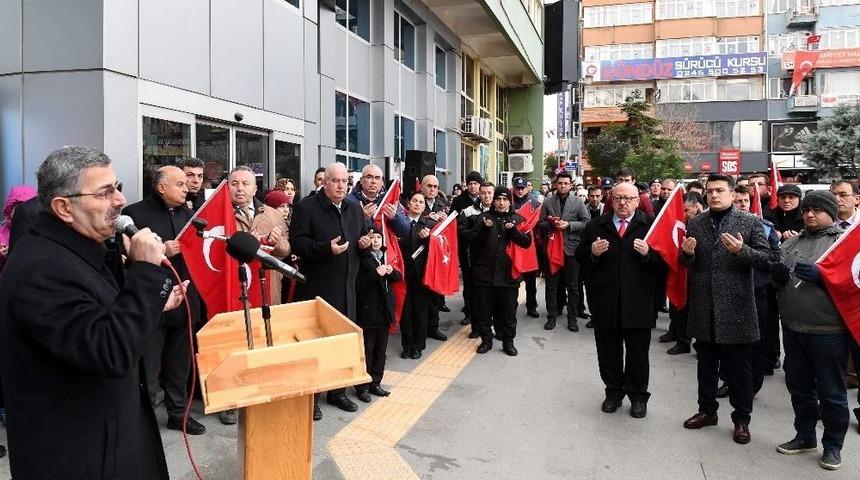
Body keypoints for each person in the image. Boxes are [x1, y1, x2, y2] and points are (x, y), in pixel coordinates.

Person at [0, 146, 186, 479]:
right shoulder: (42, 268)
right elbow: (109, 350)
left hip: (110, 442)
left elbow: (102, 321)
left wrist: (151, 307)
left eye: (118, 187)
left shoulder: (83, 249)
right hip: (78, 454)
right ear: (64, 207)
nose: (119, 200)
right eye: (105, 192)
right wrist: (144, 274)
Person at [680, 174, 772, 445]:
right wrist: (686, 254)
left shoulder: (750, 222)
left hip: (737, 306)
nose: (714, 195)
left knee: (738, 369)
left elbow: (768, 259)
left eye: (720, 190)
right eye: (710, 191)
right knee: (705, 365)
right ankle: (707, 411)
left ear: (733, 194)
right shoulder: (696, 222)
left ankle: (741, 419)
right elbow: (689, 263)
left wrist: (742, 251)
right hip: (704, 305)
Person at [123, 166, 205, 435]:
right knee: (148, 365)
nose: (186, 188)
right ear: (160, 187)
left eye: (186, 184)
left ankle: (178, 414)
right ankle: (143, 418)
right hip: (154, 302)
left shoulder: (189, 214)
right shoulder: (135, 214)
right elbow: (127, 258)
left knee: (180, 363)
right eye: (180, 183)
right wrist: (162, 251)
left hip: (185, 300)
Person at [771, 191, 849, 470]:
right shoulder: (791, 243)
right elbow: (779, 279)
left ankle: (833, 446)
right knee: (799, 388)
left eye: (817, 209)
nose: (809, 214)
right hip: (793, 328)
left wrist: (825, 278)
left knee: (831, 392)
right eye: (807, 209)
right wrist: (776, 279)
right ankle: (805, 436)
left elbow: (854, 282)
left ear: (831, 211)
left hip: (828, 331)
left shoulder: (843, 243)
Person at [290, 163, 371, 420]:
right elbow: (298, 244)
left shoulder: (354, 209)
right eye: (334, 181)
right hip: (318, 289)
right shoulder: (306, 207)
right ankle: (311, 396)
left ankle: (337, 392)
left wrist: (366, 243)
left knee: (341, 342)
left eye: (344, 181)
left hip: (347, 288)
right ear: (324, 182)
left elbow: (362, 238)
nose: (340, 185)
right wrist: (326, 249)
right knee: (315, 346)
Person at [576, 182, 664, 418]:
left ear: (638, 200)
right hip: (605, 301)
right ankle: (613, 392)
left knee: (637, 354)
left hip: (639, 303)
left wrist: (649, 254)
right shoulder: (596, 225)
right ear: (610, 200)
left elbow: (664, 264)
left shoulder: (650, 227)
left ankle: (638, 397)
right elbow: (579, 256)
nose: (622, 202)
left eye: (628, 198)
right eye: (617, 198)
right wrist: (592, 252)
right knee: (608, 352)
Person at [219, 166, 291, 425]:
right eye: (234, 183)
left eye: (245, 184)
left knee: (262, 337)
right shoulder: (220, 213)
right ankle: (229, 400)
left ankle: (260, 391)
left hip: (265, 285)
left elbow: (285, 250)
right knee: (232, 342)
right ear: (227, 186)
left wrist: (277, 241)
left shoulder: (271, 213)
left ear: (255, 188)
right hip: (234, 287)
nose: (239, 188)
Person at [469, 186, 531, 356]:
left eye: (505, 199)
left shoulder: (518, 219)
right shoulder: (484, 218)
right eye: (498, 199)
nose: (501, 203)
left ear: (510, 201)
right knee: (484, 311)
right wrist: (484, 229)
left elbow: (527, 243)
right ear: (494, 201)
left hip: (509, 276)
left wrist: (513, 232)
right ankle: (486, 340)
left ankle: (508, 342)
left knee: (509, 312)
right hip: (484, 275)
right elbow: (472, 241)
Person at [732, 185, 782, 393]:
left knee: (756, 339)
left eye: (746, 201)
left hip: (757, 291)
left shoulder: (765, 226)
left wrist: (744, 251)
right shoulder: (720, 225)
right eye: (738, 201)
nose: (743, 205)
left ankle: (754, 384)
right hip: (730, 291)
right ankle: (730, 381)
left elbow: (773, 258)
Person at [354, 226, 401, 402]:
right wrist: (375, 274)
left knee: (381, 351)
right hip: (368, 313)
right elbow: (358, 286)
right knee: (367, 350)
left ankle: (376, 382)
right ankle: (362, 386)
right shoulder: (361, 259)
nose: (376, 241)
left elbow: (397, 278)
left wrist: (392, 272)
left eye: (379, 238)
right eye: (372, 237)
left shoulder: (386, 257)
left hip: (384, 312)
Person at [538, 171, 590, 331]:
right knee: (551, 285)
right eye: (560, 183)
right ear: (555, 184)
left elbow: (586, 222)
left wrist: (569, 225)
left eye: (566, 183)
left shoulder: (578, 202)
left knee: (573, 286)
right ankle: (551, 316)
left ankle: (572, 318)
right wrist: (552, 224)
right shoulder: (547, 202)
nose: (563, 186)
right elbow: (540, 224)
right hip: (553, 248)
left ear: (571, 185)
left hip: (571, 250)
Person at [830, 180, 860, 429]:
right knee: (832, 361)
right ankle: (828, 405)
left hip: (857, 304)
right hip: (831, 307)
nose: (838, 199)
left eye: (843, 195)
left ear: (856, 199)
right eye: (834, 195)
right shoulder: (826, 228)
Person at [664, 192, 705, 356]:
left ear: (697, 207)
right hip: (682, 272)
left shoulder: (704, 224)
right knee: (679, 308)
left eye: (687, 210)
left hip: (698, 274)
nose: (684, 214)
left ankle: (700, 344)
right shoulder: (678, 223)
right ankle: (682, 341)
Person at [399, 192, 437, 359]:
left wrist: (429, 239)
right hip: (403, 273)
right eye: (414, 200)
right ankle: (407, 345)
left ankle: (418, 346)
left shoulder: (430, 224)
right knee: (405, 311)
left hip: (423, 274)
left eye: (421, 202)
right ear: (408, 203)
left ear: (424, 206)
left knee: (421, 311)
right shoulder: (400, 222)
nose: (417, 204)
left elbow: (440, 248)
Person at [458, 182, 495, 337]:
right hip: (473, 261)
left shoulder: (501, 209)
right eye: (483, 193)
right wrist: (481, 230)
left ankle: (492, 327)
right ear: (478, 194)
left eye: (489, 193)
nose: (487, 196)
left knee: (492, 296)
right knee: (475, 296)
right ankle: (475, 327)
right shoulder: (468, 212)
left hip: (494, 262)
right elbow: (463, 234)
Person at [417, 174, 450, 340]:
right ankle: (420, 329)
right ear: (421, 186)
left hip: (436, 255)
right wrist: (428, 218)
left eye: (435, 187)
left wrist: (446, 220)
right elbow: (411, 220)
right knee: (420, 297)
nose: (432, 189)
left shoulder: (441, 204)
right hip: (418, 255)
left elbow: (447, 230)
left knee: (435, 295)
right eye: (429, 186)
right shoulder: (414, 200)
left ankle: (433, 327)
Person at [451, 171, 485, 326]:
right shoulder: (458, 201)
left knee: (482, 283)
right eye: (470, 183)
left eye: (476, 183)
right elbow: (453, 224)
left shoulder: (485, 200)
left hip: (484, 249)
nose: (473, 186)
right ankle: (469, 312)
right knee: (468, 281)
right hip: (466, 247)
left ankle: (483, 311)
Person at [346, 164, 410, 237]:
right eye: (369, 177)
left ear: (382, 181)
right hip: (358, 246)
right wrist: (361, 218)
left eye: (377, 178)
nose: (373, 181)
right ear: (361, 180)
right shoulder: (348, 200)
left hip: (385, 247)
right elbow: (344, 230)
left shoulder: (389, 200)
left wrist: (395, 217)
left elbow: (405, 231)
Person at [512, 176, 541, 318]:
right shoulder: (507, 201)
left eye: (522, 188)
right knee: (514, 278)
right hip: (512, 243)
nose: (520, 190)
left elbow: (537, 222)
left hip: (528, 245)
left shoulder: (534, 203)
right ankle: (512, 304)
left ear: (527, 188)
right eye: (517, 188)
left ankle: (531, 305)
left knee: (530, 280)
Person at [0, 185, 37, 272]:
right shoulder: (1, 233)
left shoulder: (41, 232)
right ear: (10, 209)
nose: (23, 212)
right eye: (18, 208)